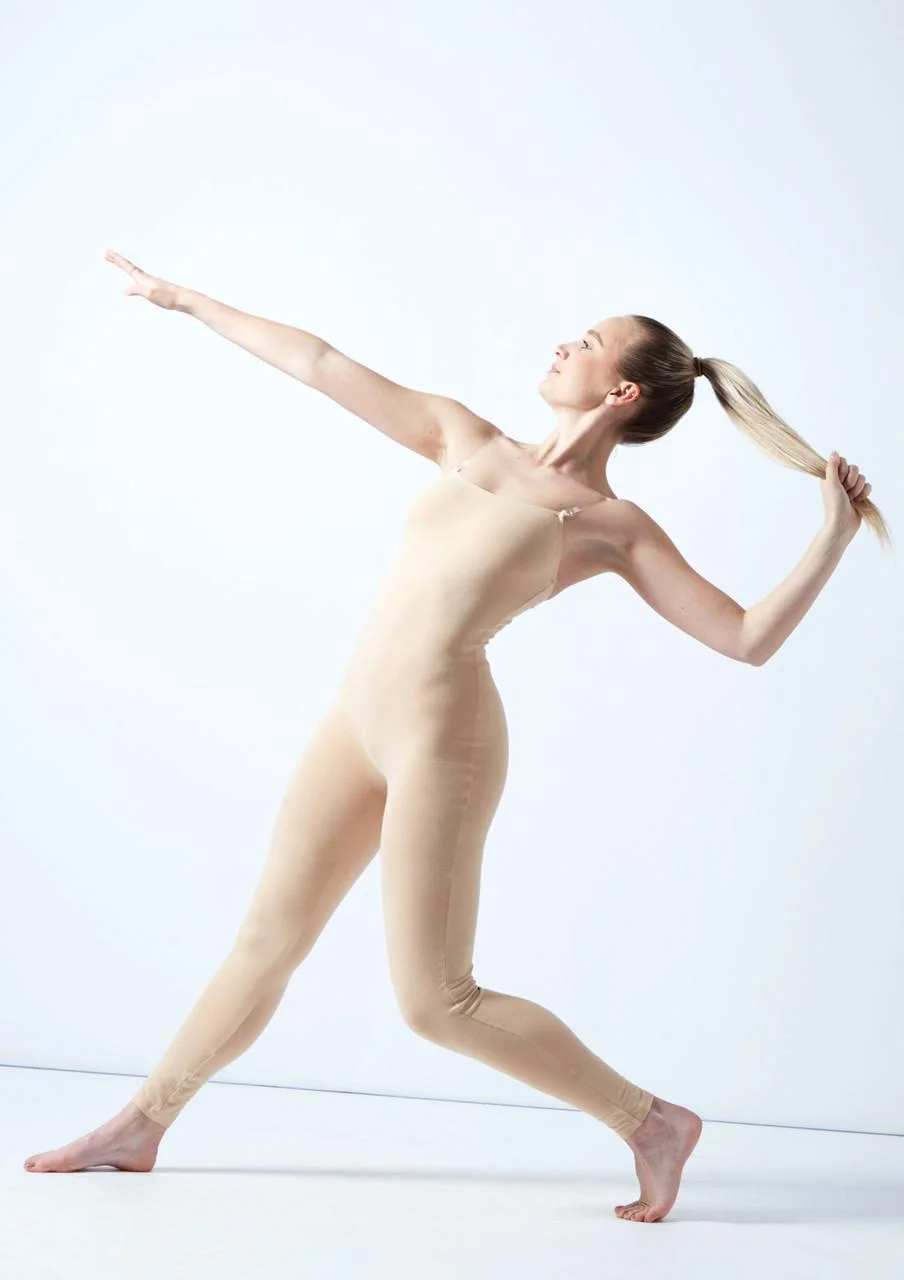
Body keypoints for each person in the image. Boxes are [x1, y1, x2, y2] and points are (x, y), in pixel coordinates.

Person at [24, 253, 887, 1224]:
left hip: (446, 738)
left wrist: (831, 536)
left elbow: (744, 638)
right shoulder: (463, 435)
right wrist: (184, 299)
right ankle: (140, 1124)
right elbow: (319, 362)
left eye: (587, 342)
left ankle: (650, 1122)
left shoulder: (611, 524)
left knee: (435, 1000)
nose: (563, 343)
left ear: (621, 392)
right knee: (266, 937)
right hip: (355, 719)